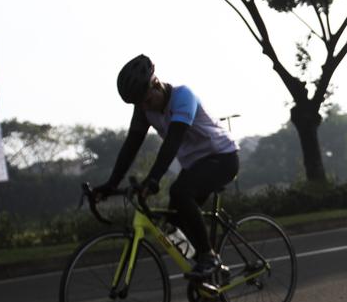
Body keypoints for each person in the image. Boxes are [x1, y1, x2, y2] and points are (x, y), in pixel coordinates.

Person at [95, 54, 239, 290]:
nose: (144, 106)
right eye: (138, 104)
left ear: (156, 84)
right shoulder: (144, 109)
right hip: (195, 165)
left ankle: (208, 257)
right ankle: (212, 270)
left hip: (222, 158)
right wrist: (111, 183)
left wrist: (153, 180)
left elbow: (172, 141)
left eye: (146, 100)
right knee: (172, 219)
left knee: (180, 192)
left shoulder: (184, 97)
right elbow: (131, 145)